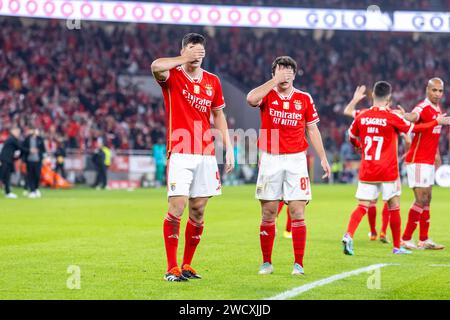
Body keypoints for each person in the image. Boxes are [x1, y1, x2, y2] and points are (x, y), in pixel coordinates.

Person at [151, 33, 234, 281]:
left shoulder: (213, 81)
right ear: (184, 50)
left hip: (206, 153)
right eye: (191, 49)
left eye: (199, 50)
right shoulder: (172, 75)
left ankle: (187, 265)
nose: (196, 54)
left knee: (198, 211)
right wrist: (182, 58)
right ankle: (171, 267)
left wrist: (228, 147)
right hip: (180, 151)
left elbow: (218, 115)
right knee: (177, 206)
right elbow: (155, 66)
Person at [342, 81, 450, 256]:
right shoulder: (392, 117)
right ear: (389, 98)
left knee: (362, 205)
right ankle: (398, 246)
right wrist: (436, 122)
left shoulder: (362, 115)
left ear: (373, 96)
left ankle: (348, 235)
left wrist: (358, 145)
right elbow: (415, 128)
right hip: (388, 171)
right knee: (394, 206)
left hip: (368, 169)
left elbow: (351, 136)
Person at [246, 56, 331, 276]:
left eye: (288, 70)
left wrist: (322, 157)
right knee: (268, 212)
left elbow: (312, 129)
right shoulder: (267, 94)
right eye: (280, 70)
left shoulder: (304, 98)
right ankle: (266, 262)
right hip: (270, 158)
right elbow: (250, 99)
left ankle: (299, 264)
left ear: (294, 74)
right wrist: (274, 82)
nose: (285, 73)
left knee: (297, 211)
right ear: (274, 73)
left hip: (296, 159)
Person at [401, 78, 447, 250]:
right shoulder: (423, 107)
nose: (437, 94)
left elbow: (432, 136)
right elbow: (413, 117)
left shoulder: (437, 109)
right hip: (417, 160)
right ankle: (405, 238)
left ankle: (424, 239)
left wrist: (437, 154)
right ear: (427, 90)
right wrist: (404, 115)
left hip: (428, 160)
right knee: (420, 199)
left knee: (427, 199)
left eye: (440, 91)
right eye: (434, 90)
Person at [22, 128, 46, 198]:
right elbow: (23, 148)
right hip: (29, 160)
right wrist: (29, 150)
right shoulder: (27, 139)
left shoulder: (40, 139)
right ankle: (32, 191)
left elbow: (43, 149)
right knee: (30, 176)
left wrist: (43, 156)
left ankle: (36, 188)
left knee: (37, 175)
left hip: (38, 160)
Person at [0, 127, 23, 198]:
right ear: (13, 131)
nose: (18, 133)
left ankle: (8, 192)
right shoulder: (12, 139)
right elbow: (20, 148)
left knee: (7, 176)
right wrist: (28, 150)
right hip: (5, 160)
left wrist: (17, 157)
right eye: (17, 131)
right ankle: (7, 192)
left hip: (8, 160)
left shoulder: (11, 139)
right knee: (3, 175)